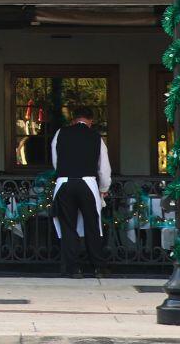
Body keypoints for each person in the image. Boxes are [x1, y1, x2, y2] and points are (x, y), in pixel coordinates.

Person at [51, 106, 111, 278]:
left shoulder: (60, 133)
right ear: (90, 121)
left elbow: (56, 161)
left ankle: (73, 268)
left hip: (64, 182)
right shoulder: (96, 137)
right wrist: (104, 188)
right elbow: (104, 167)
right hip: (88, 182)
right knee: (93, 225)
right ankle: (98, 267)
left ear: (73, 119)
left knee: (68, 226)